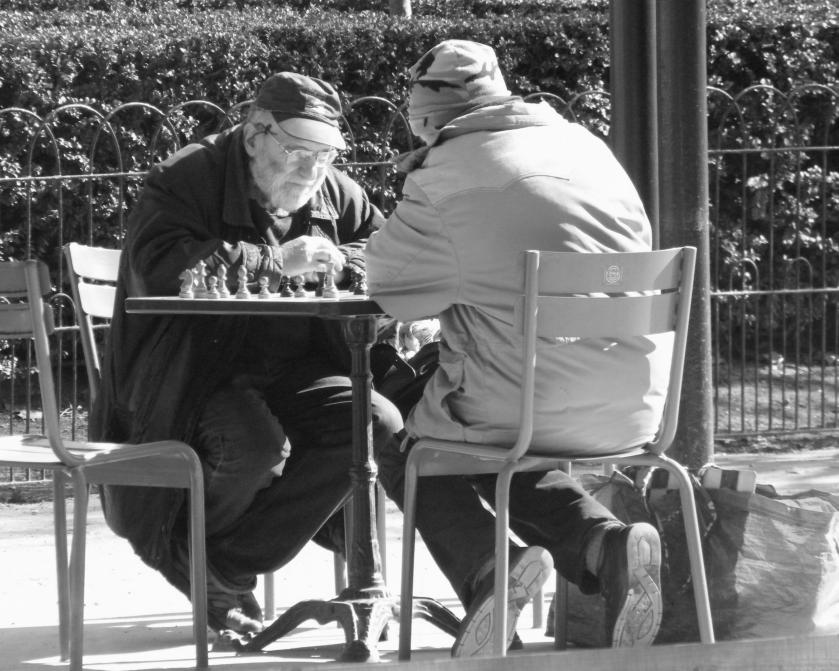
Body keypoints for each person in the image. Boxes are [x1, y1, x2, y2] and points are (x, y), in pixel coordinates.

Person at [365, 40, 665, 656]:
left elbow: (388, 287)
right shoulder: (588, 146)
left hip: (523, 401)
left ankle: (490, 572)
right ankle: (606, 545)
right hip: (636, 404)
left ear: (426, 119)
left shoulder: (444, 176)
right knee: (507, 440)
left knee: (407, 440)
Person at [90, 72, 403, 637]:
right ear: (255, 132)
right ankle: (214, 573)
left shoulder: (334, 188)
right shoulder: (187, 177)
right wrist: (275, 262)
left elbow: (383, 243)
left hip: (294, 365)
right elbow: (158, 264)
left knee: (372, 420)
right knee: (254, 445)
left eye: (325, 153)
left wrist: (344, 262)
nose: (311, 169)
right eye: (296, 151)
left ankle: (218, 567)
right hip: (195, 368)